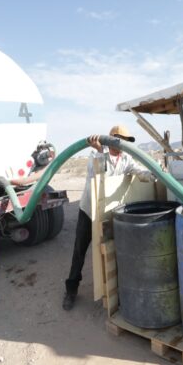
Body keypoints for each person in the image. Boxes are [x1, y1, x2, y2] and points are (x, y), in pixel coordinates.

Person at [62, 125, 153, 311]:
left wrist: (154, 174)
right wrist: (99, 151)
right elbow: (98, 174)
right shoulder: (97, 155)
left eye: (126, 141)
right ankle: (71, 290)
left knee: (110, 248)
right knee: (80, 249)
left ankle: (114, 289)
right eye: (121, 140)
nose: (124, 144)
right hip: (89, 210)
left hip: (109, 211)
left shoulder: (126, 158)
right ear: (112, 139)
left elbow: (139, 171)